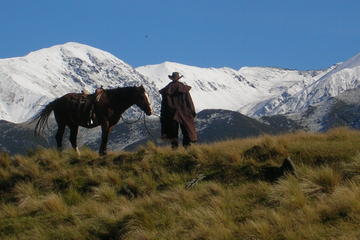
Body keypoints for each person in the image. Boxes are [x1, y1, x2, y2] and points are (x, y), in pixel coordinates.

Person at [159, 72, 197, 148]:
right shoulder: (183, 88)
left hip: (171, 114)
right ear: (178, 78)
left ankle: (174, 148)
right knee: (186, 130)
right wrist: (193, 112)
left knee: (173, 133)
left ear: (172, 78)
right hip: (184, 113)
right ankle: (187, 147)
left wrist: (162, 115)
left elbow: (164, 105)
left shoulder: (167, 89)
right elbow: (189, 101)